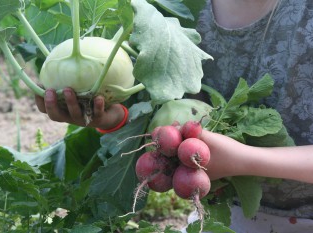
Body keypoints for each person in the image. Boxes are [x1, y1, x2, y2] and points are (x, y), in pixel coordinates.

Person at [35, 0, 313, 232]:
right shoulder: (172, 8)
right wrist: (113, 120)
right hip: (229, 216)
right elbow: (156, 100)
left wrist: (243, 160)